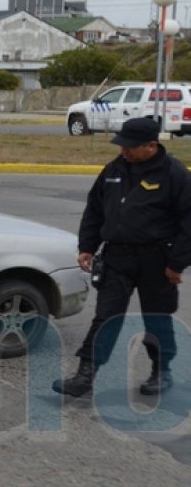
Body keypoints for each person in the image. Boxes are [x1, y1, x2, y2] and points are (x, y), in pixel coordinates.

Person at [53, 117, 191, 397]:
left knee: (157, 318)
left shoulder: (174, 173)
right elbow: (95, 209)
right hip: (116, 258)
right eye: (122, 144)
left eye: (130, 146)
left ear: (151, 145)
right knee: (105, 317)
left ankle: (161, 371)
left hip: (157, 260)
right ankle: (85, 375)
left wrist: (177, 263)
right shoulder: (114, 169)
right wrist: (87, 246)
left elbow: (189, 223)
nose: (123, 150)